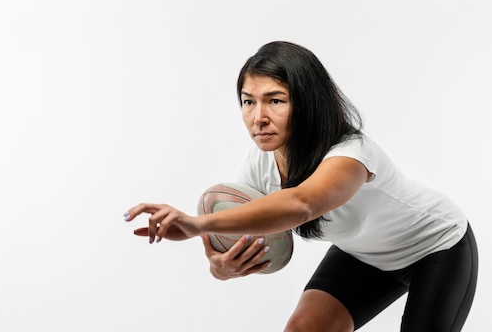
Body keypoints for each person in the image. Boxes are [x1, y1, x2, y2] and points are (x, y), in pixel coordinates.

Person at [124, 41, 478, 331]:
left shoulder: (353, 154)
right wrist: (219, 265)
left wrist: (197, 224)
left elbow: (302, 203)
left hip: (436, 246)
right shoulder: (257, 166)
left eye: (275, 100)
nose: (258, 117)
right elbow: (233, 231)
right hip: (363, 255)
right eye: (248, 101)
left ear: (307, 103)